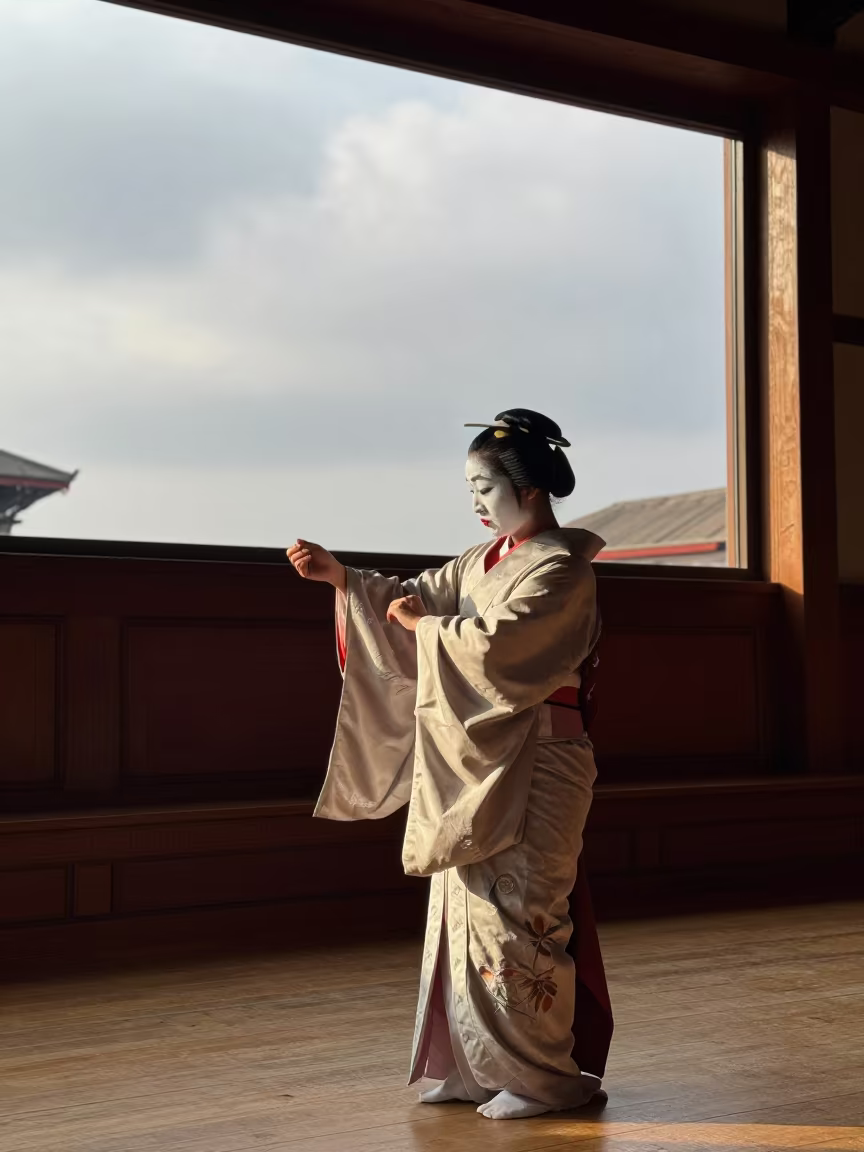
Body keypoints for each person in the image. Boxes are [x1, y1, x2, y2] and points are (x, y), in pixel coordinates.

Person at [287, 408, 612, 1121]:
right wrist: (343, 579)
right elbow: (410, 601)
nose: (475, 503)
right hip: (476, 761)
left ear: (528, 489)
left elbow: (500, 647)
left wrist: (424, 630)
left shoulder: (561, 568)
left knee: (519, 912)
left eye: (484, 487)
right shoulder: (477, 563)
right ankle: (471, 1064)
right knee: (460, 910)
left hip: (541, 756)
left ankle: (542, 1076)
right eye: (469, 489)